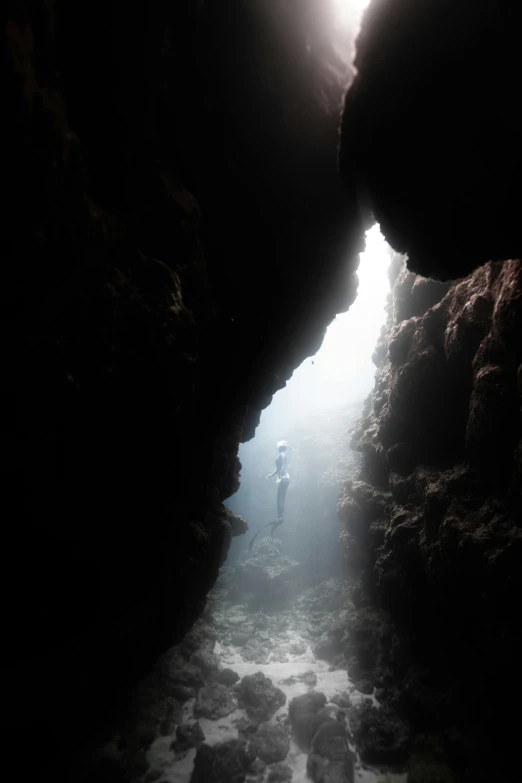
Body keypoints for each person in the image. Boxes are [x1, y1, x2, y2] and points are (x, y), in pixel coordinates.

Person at [266, 440, 294, 521]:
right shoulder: (283, 455)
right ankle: (280, 516)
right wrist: (272, 474)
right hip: (286, 478)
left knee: (279, 498)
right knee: (282, 498)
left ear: (281, 448)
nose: (277, 449)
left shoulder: (281, 455)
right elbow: (279, 468)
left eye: (278, 447)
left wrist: (281, 476)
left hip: (284, 478)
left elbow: (283, 466)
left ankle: (279, 517)